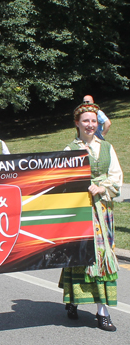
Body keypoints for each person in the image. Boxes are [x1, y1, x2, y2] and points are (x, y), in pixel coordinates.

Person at [59, 102, 122, 331]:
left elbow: (117, 178)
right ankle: (74, 299)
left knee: (102, 259)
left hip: (103, 212)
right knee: (79, 256)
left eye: (93, 121)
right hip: (80, 211)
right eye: (85, 120)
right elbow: (62, 181)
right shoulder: (70, 150)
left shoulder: (107, 148)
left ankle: (102, 312)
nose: (90, 124)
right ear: (77, 123)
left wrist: (102, 187)